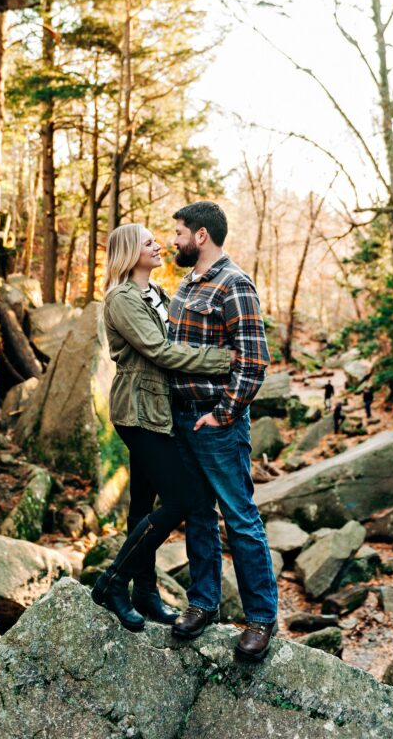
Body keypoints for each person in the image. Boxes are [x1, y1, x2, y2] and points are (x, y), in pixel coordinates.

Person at [90, 223, 233, 632]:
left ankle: (145, 593)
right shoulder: (122, 298)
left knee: (141, 504)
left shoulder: (157, 294)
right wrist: (223, 360)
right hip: (138, 411)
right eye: (148, 242)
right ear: (129, 252)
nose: (158, 246)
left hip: (160, 410)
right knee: (182, 500)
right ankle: (112, 583)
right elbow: (160, 351)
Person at [167, 201, 279, 663]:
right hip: (182, 420)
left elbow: (254, 360)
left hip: (216, 423)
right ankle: (203, 604)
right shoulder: (189, 281)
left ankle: (260, 618)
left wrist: (224, 413)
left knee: (240, 518)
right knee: (197, 513)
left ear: (201, 236)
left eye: (178, 232)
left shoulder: (235, 284)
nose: (172, 240)